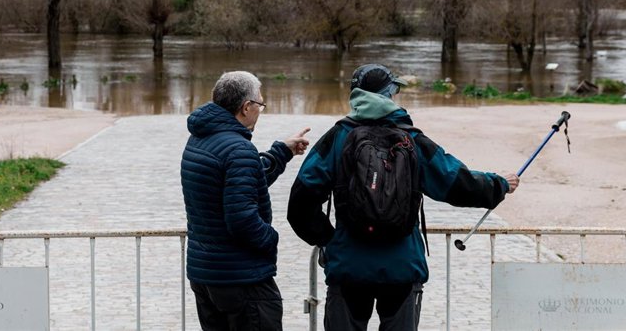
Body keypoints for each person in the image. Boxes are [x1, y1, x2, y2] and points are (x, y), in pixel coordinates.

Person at [287, 63, 520, 331]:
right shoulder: (411, 139)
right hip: (402, 265)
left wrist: (330, 240)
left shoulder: (338, 137)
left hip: (348, 266)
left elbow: (300, 203)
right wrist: (499, 184)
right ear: (388, 94)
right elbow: (456, 181)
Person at [181, 70, 310, 331]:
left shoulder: (199, 140)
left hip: (206, 276)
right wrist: (271, 239)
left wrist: (281, 152)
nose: (261, 110)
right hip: (241, 278)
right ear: (246, 107)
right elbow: (242, 219)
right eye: (260, 104)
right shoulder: (239, 149)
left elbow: (245, 182)